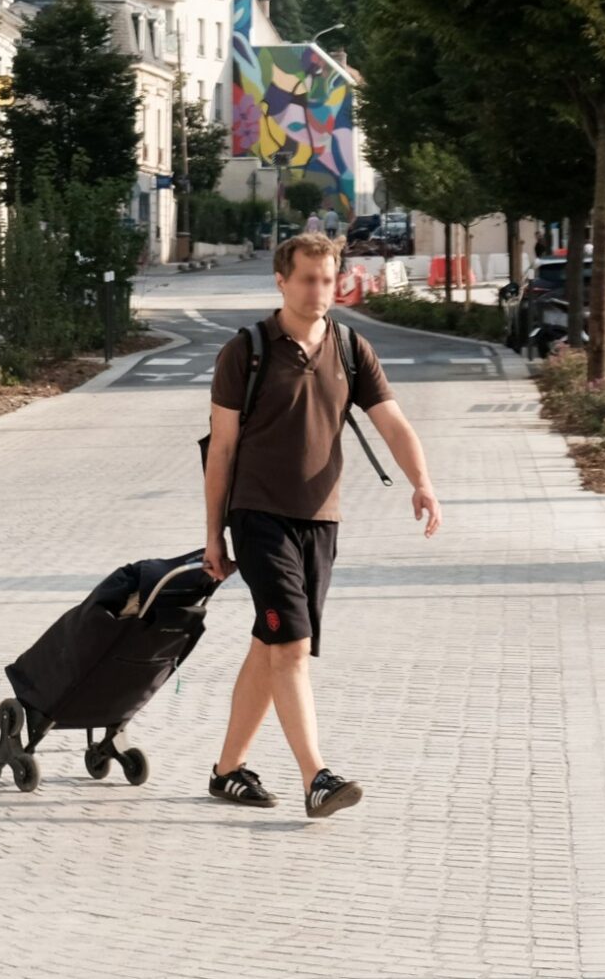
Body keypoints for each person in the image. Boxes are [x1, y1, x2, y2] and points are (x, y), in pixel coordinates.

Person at [203, 231, 441, 819]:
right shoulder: (246, 351)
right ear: (281, 281)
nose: (319, 290)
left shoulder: (351, 348)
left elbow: (392, 421)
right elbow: (222, 450)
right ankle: (317, 778)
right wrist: (214, 535)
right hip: (258, 516)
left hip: (320, 519)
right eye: (307, 279)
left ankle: (228, 770)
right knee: (292, 644)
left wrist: (422, 481)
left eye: (328, 280)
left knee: (271, 643)